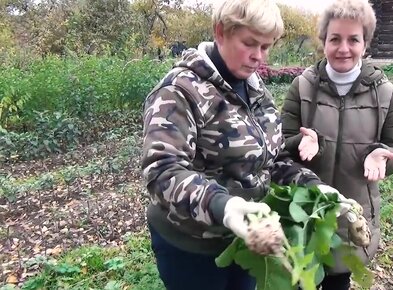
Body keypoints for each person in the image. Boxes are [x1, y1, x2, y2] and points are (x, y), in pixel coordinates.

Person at [141, 1, 361, 289]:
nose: (258, 56)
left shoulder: (256, 89)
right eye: (250, 43)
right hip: (193, 247)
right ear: (221, 33)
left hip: (248, 240)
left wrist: (315, 187)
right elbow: (162, 172)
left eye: (266, 46)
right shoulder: (180, 92)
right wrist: (226, 207)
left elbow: (275, 158)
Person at [281, 0, 393, 289]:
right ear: (323, 40)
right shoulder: (301, 87)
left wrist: (383, 157)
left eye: (353, 39)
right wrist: (302, 141)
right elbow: (280, 144)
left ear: (365, 43)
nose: (343, 48)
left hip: (352, 219)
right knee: (301, 282)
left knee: (338, 282)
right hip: (306, 216)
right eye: (335, 38)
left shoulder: (385, 93)